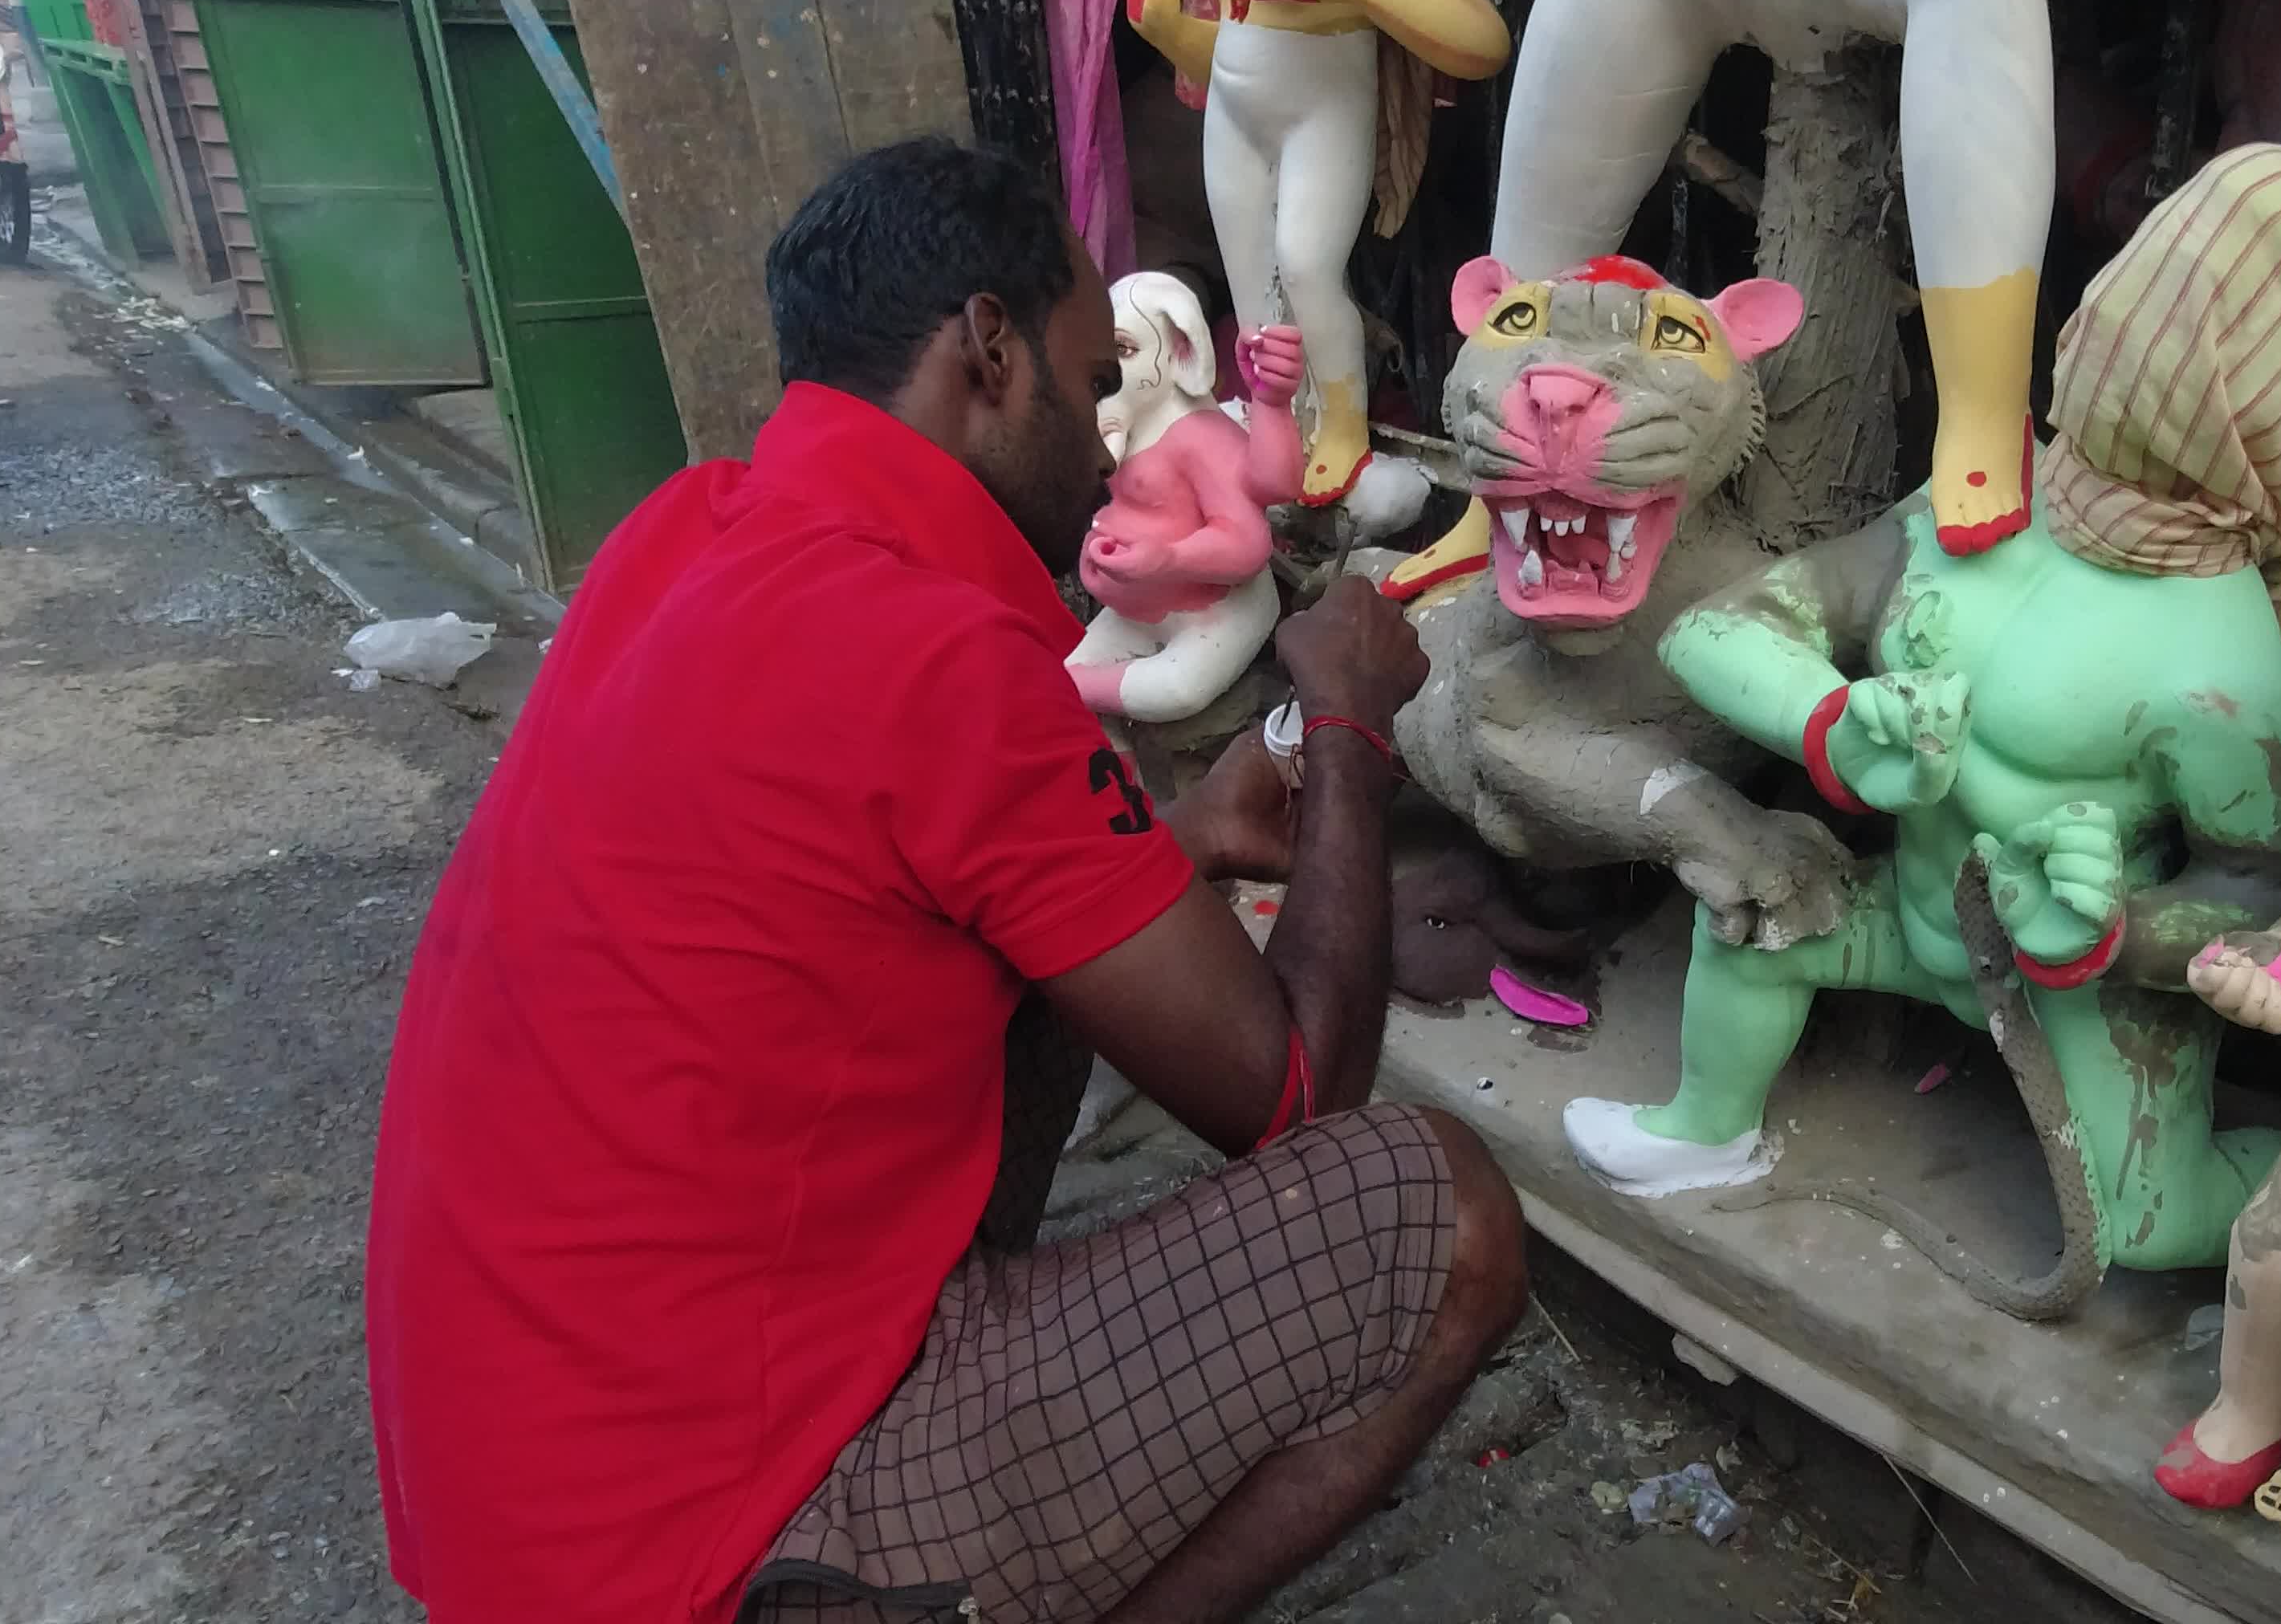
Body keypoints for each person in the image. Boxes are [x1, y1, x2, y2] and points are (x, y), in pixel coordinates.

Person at [363, 136, 1527, 1624]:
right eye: (1092, 373)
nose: (1110, 439)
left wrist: (1174, 845)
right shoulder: (938, 656)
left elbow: (881, 892)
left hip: (519, 1498)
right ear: (989, 349)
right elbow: (1294, 1088)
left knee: (1027, 997)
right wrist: (1353, 727)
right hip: (694, 1546)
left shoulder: (683, 535)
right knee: (1444, 1212)